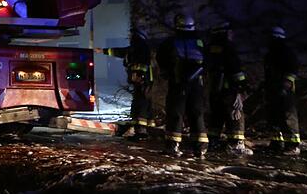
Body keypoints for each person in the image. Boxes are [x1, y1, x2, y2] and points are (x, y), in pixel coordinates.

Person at [157, 13, 208, 158]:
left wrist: (166, 73)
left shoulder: (170, 42)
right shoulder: (199, 42)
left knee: (175, 113)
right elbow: (207, 60)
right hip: (197, 83)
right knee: (196, 113)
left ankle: (173, 146)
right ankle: (201, 147)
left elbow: (161, 58)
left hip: (178, 82)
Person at [99, 27, 154, 140]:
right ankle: (140, 130)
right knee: (139, 103)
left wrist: (139, 75)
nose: (130, 38)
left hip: (143, 80)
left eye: (132, 36)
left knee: (140, 104)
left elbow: (141, 62)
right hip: (141, 80)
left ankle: (141, 131)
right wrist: (103, 51)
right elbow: (121, 52)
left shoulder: (141, 47)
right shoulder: (137, 47)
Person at [205, 22, 251, 155]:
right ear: (224, 33)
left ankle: (213, 140)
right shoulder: (228, 47)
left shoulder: (210, 48)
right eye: (229, 32)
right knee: (235, 115)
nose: (232, 34)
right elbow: (235, 69)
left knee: (216, 115)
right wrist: (242, 86)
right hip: (229, 89)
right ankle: (236, 144)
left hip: (214, 89)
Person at [264, 26, 301, 155]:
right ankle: (277, 142)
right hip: (272, 90)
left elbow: (293, 70)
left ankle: (293, 145)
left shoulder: (286, 52)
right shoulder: (269, 55)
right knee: (274, 117)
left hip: (285, 91)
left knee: (288, 116)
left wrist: (286, 84)